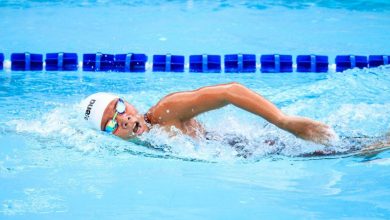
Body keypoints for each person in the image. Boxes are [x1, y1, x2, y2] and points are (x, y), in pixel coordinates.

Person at [81, 82, 338, 146]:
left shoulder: (165, 112)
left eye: (121, 108)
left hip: (255, 148)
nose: (124, 118)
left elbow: (230, 91)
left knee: (350, 149)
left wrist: (285, 122)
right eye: (111, 123)